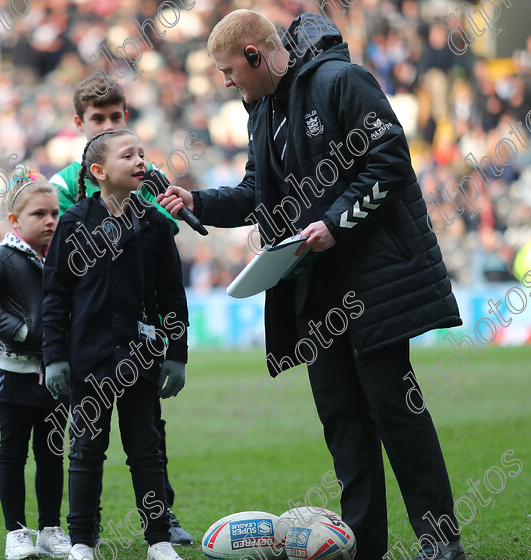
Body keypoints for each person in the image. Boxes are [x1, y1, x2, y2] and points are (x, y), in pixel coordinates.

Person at [158, 10, 466, 560]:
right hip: (313, 291)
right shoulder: (262, 110)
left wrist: (338, 221)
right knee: (342, 421)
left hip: (372, 280)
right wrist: (197, 201)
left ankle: (441, 544)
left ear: (254, 54)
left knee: (397, 410)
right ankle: (364, 545)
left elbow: (391, 161)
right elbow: (258, 192)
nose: (226, 82)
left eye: (229, 70)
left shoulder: (339, 81)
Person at [48, 75, 193, 546]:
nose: (141, 162)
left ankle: (160, 540)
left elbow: (172, 295)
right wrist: (54, 357)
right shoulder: (71, 221)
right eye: (127, 156)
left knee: (146, 450)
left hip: (141, 359)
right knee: (86, 452)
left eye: (141, 154)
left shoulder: (154, 223)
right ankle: (81, 543)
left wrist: (177, 353)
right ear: (97, 172)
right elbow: (56, 296)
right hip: (89, 357)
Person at [0, 170, 72, 560]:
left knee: (51, 453)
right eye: (39, 214)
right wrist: (24, 332)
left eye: (55, 213)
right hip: (13, 372)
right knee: (12, 453)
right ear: (15, 221)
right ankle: (16, 533)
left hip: (56, 375)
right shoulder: (2, 257)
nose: (50, 221)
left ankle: (50, 529)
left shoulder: (61, 257)